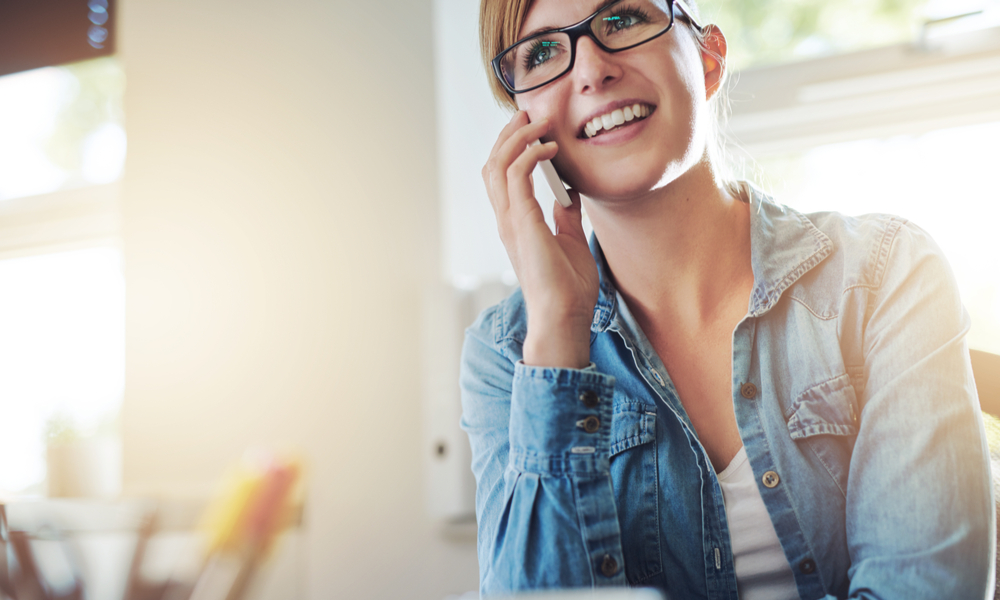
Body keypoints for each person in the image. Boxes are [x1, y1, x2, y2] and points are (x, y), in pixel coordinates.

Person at [459, 0, 995, 598]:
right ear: (523, 126)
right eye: (542, 52)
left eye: (622, 19)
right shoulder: (506, 354)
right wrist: (558, 331)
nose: (591, 69)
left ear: (709, 59)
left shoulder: (888, 272)